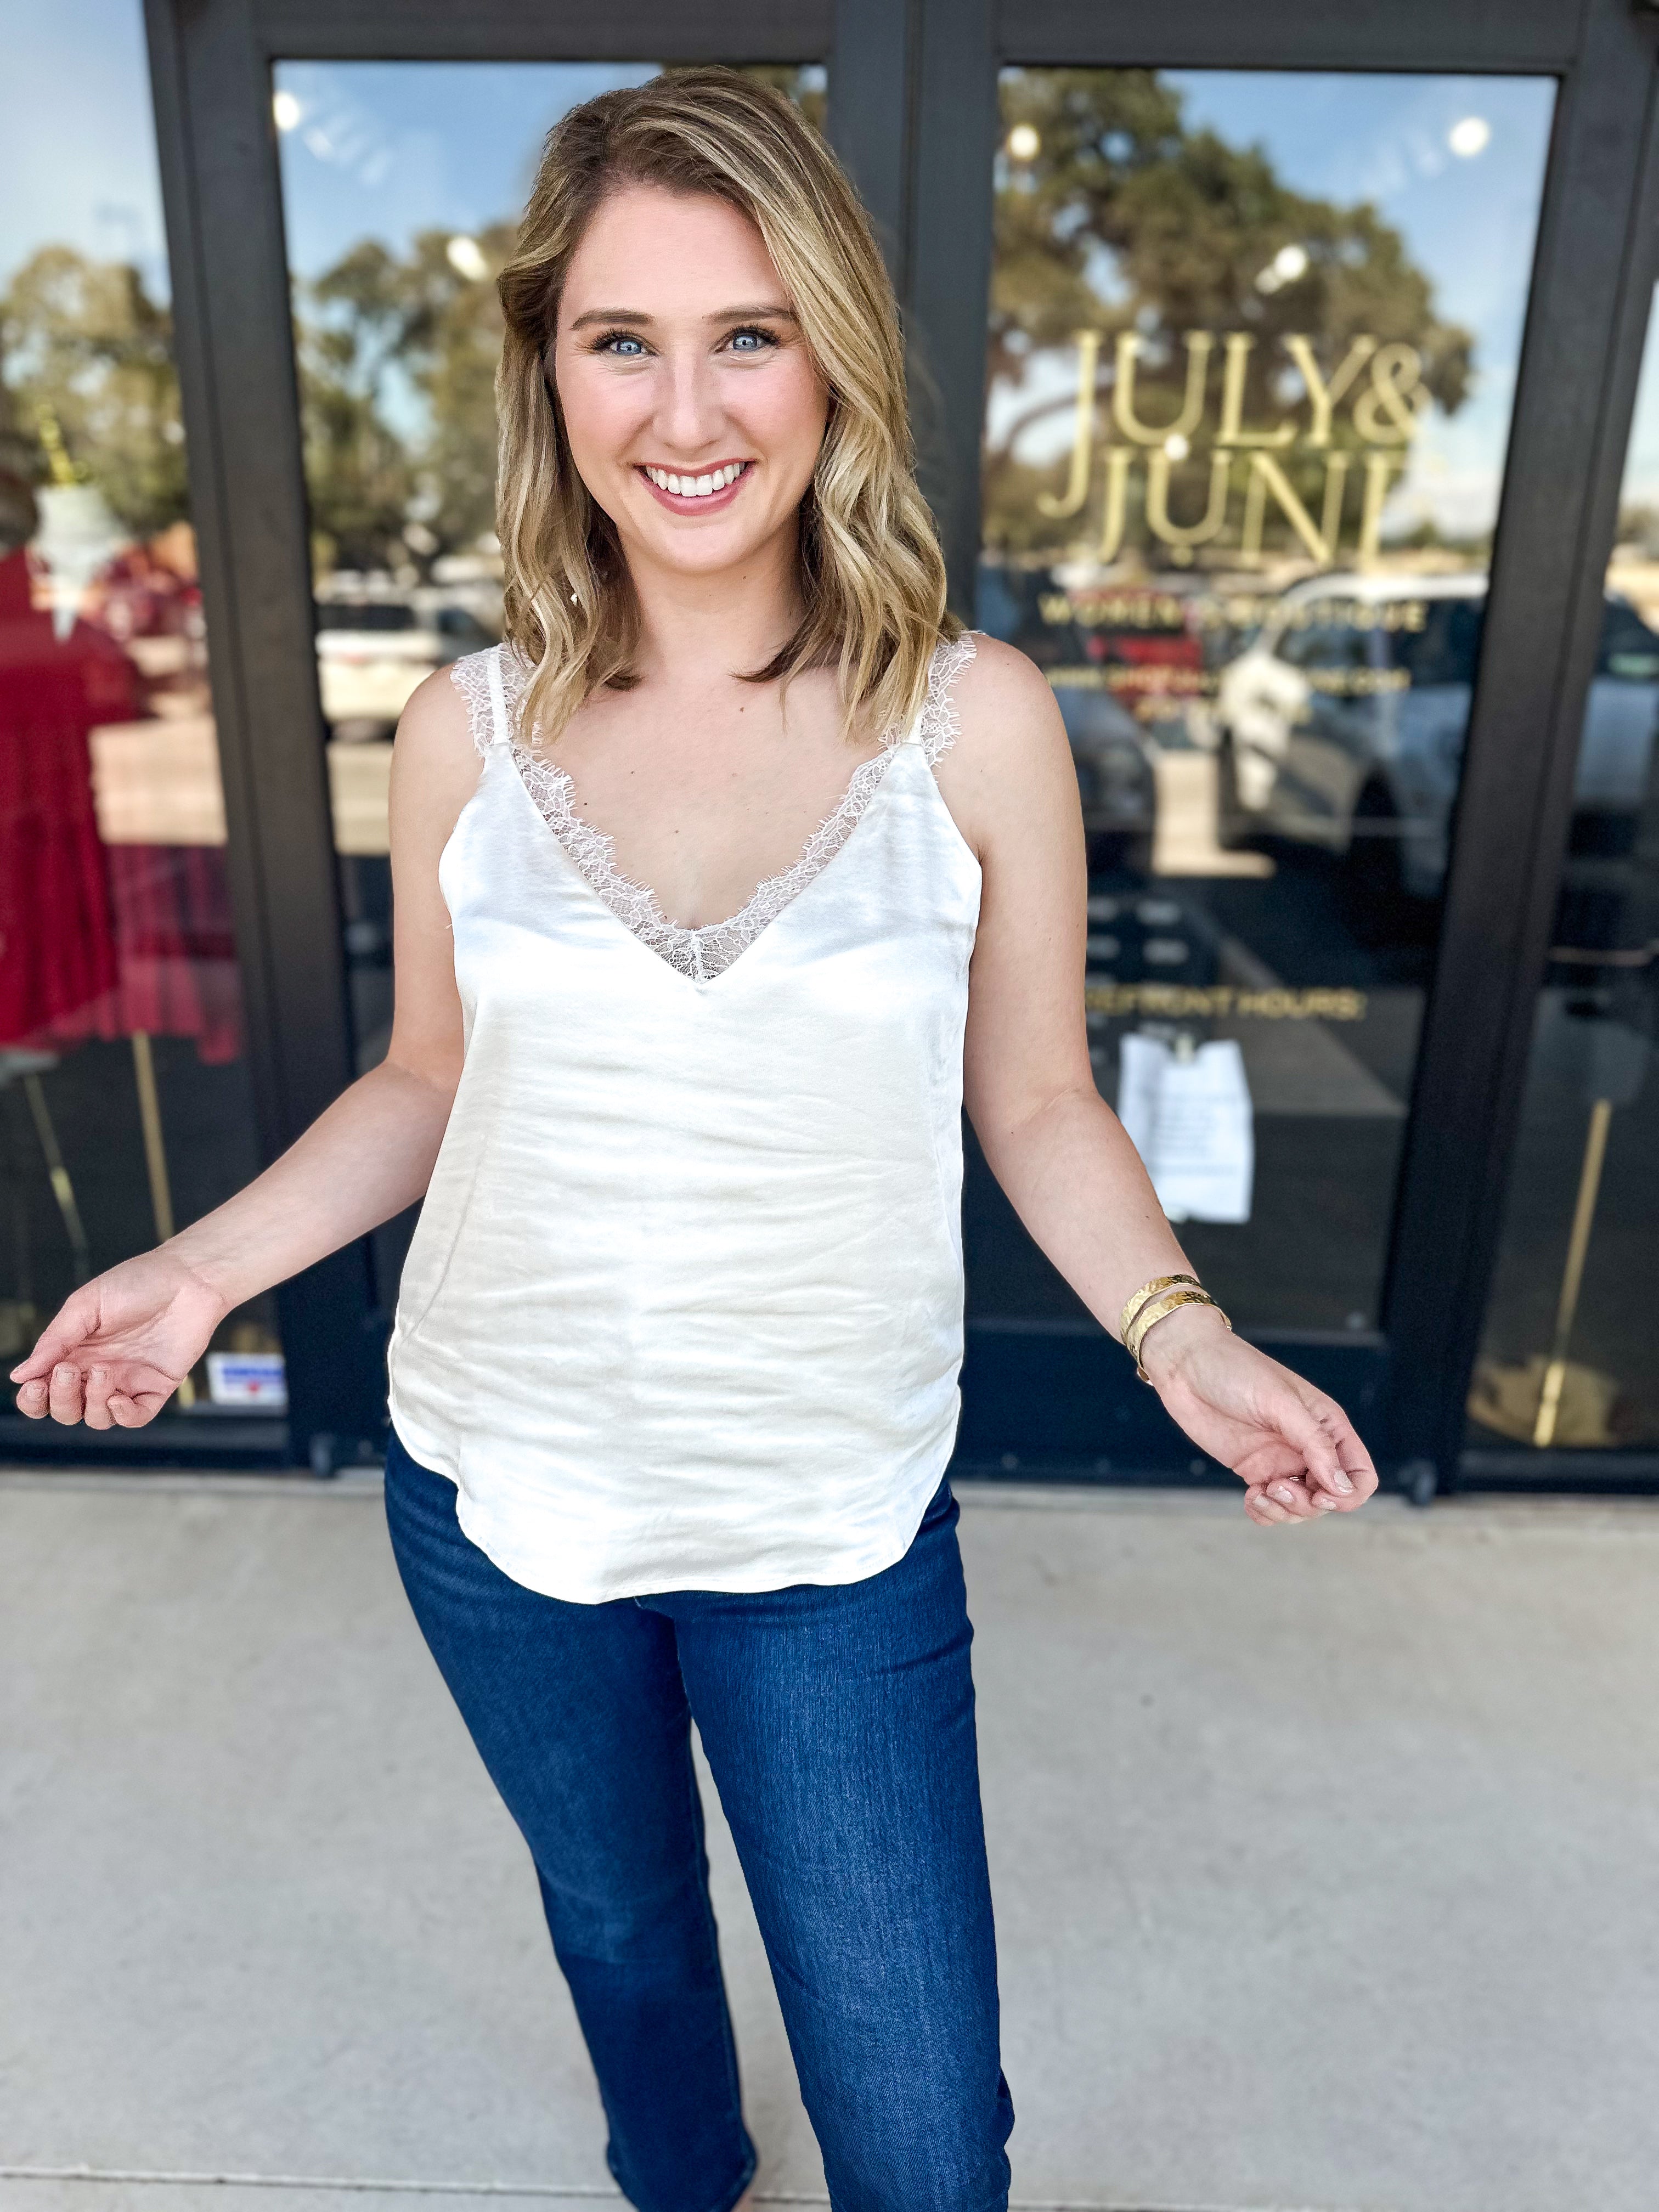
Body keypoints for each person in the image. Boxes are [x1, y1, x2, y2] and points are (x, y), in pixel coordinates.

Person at [10, 71, 1378, 2212]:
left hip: (829, 1531)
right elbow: (423, 1079)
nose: (687, 407)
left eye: (746, 331)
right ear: (548, 378)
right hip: (498, 1496)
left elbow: (1030, 1096)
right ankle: (676, 2168)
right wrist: (203, 1272)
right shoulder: (469, 730)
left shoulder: (977, 718)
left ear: (832, 350)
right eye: (619, 339)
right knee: (624, 1930)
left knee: (927, 2133)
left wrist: (1182, 1338)